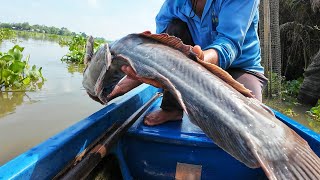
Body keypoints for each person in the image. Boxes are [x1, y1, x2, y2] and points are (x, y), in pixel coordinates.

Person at [119, 0, 268, 126]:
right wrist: (140, 72)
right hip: (193, 66)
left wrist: (198, 60)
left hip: (240, 68)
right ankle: (172, 108)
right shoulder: (175, 3)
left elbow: (229, 43)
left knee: (252, 123)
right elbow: (160, 43)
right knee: (174, 27)